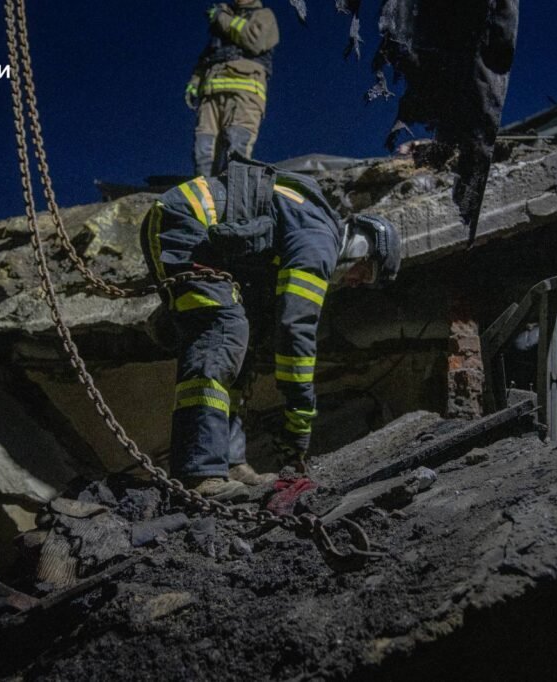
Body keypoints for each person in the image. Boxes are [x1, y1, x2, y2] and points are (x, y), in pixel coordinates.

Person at [140, 158, 401, 500]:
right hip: (186, 224)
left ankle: (231, 463)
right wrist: (299, 425)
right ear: (363, 248)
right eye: (364, 274)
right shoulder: (320, 239)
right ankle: (198, 472)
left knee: (240, 346)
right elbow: (295, 331)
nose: (354, 283)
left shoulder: (305, 227)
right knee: (221, 333)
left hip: (198, 234)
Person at [185, 0, 279, 177]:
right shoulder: (222, 28)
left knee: (236, 149)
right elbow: (208, 58)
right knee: (203, 151)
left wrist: (222, 17)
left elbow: (254, 41)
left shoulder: (263, 15)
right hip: (211, 94)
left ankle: (235, 193)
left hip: (244, 92)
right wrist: (195, 82)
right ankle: (206, 193)